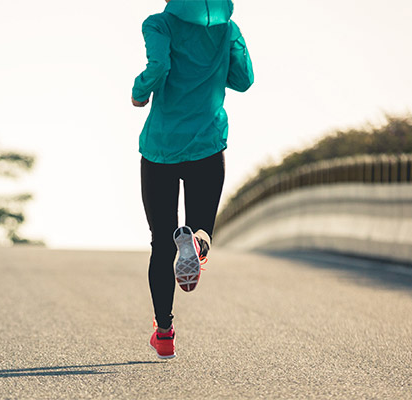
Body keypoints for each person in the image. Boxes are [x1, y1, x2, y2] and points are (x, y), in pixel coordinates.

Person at [131, 0, 254, 359]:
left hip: (161, 147)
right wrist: (218, 54)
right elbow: (243, 80)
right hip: (207, 143)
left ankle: (165, 333)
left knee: (161, 243)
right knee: (199, 228)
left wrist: (140, 92)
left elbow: (160, 65)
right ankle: (198, 242)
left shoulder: (158, 24)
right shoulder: (226, 29)